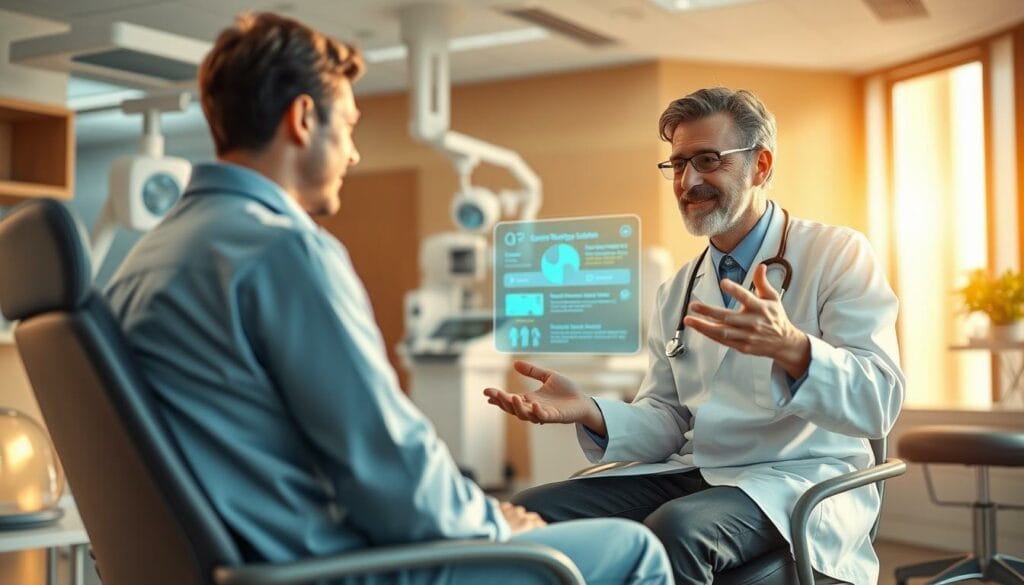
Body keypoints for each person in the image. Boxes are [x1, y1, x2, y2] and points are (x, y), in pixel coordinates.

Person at [104, 12, 672, 585]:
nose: (353, 154)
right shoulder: (283, 250)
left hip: (226, 562)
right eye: (349, 126)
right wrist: (491, 524)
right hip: (326, 568)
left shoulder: (146, 260)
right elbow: (384, 461)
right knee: (634, 549)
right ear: (303, 118)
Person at [484, 87, 905, 585]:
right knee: (530, 512)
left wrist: (793, 349)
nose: (688, 181)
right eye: (679, 164)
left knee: (677, 530)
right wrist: (590, 410)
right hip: (699, 472)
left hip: (796, 476)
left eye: (708, 160)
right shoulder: (678, 289)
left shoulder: (836, 254)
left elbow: (879, 401)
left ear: (761, 166)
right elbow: (667, 418)